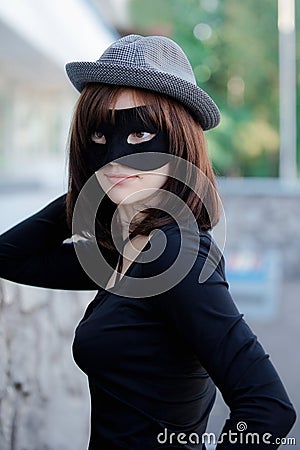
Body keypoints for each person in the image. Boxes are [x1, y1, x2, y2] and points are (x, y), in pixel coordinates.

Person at [0, 34, 296, 449]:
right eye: (100, 136)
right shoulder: (124, 252)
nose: (117, 154)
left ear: (179, 141)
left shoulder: (178, 256)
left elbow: (268, 408)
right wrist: (89, 186)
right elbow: (9, 257)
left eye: (139, 136)